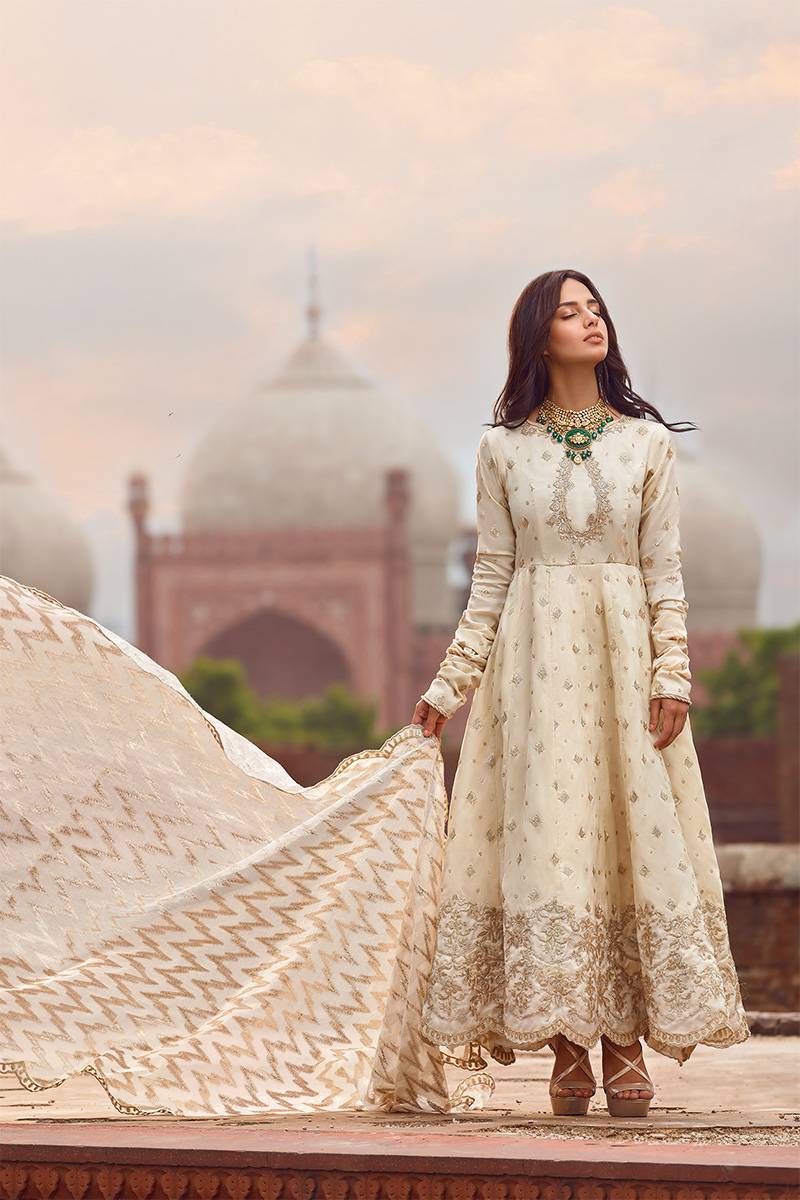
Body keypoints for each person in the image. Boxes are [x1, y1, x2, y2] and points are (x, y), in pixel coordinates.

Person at [411, 269, 750, 1118]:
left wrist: (673, 672)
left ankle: (626, 1041)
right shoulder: (503, 448)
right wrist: (447, 687)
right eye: (569, 313)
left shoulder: (646, 443)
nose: (589, 321)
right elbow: (491, 577)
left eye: (595, 309)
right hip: (532, 668)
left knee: (626, 835)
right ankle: (567, 1042)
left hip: (622, 658)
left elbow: (662, 569)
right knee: (549, 839)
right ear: (538, 336)